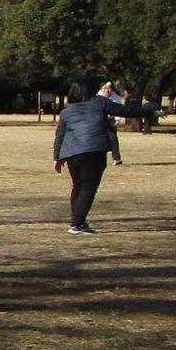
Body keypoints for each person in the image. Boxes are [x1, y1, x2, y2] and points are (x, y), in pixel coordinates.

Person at [54, 80, 140, 234]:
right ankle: (77, 223)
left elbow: (60, 136)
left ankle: (78, 220)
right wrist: (151, 111)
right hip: (93, 150)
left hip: (72, 154)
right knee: (88, 187)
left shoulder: (66, 111)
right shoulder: (99, 103)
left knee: (78, 186)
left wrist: (57, 157)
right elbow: (126, 111)